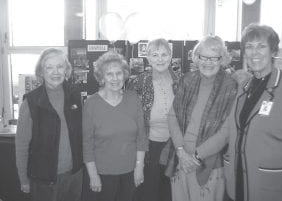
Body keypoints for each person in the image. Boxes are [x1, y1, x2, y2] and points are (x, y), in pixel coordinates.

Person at [219, 23, 282, 201]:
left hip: (268, 188)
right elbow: (231, 130)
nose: (254, 53)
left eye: (261, 46)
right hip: (236, 182)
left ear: (273, 51)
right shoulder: (244, 86)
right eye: (249, 47)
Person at [166, 35, 238, 201]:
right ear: (196, 58)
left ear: (223, 59)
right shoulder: (187, 80)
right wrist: (181, 152)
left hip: (209, 163)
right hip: (181, 158)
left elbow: (226, 131)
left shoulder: (230, 87)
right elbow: (172, 116)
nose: (207, 62)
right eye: (203, 57)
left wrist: (196, 157)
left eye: (214, 58)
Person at [15, 48, 83, 201]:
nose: (55, 72)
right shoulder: (31, 102)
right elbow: (21, 145)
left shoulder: (74, 95)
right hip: (44, 180)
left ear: (66, 70)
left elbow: (81, 134)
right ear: (41, 71)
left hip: (74, 176)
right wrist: (23, 179)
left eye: (60, 66)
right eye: (49, 67)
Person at [82, 51, 148, 201]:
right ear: (101, 77)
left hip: (130, 173)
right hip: (102, 174)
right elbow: (87, 144)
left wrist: (139, 168)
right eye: (109, 74)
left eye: (118, 73)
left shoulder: (133, 99)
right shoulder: (91, 104)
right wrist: (93, 176)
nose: (115, 78)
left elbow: (141, 139)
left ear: (124, 75)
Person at [127, 38, 180, 201]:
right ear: (148, 57)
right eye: (155, 55)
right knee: (148, 189)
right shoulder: (138, 82)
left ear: (171, 56)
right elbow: (130, 117)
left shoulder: (181, 81)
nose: (160, 59)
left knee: (169, 190)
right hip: (148, 145)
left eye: (164, 54)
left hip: (175, 144)